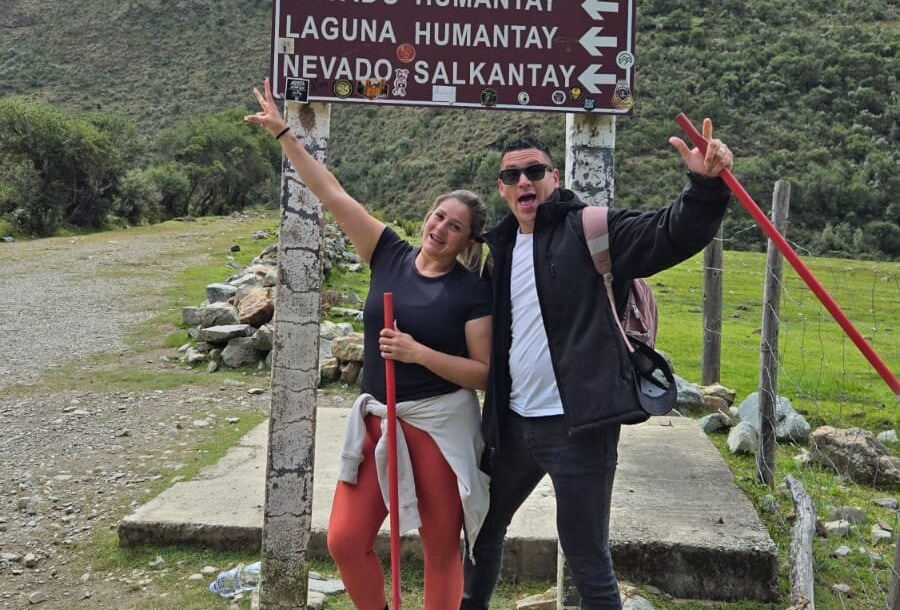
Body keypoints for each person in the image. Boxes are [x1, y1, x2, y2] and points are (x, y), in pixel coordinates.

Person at [461, 119, 734, 610]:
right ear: (502, 190)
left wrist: (705, 187)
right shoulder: (498, 251)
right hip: (512, 424)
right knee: (481, 532)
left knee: (587, 558)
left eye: (535, 171)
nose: (524, 181)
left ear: (555, 177)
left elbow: (669, 234)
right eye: (512, 176)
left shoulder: (592, 229)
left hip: (579, 429)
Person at [246, 80, 493, 610]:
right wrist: (286, 134)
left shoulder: (473, 293)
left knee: (440, 548)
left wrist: (417, 353)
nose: (441, 228)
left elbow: (484, 374)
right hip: (378, 418)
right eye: (437, 216)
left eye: (455, 226)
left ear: (468, 241)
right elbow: (331, 193)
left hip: (438, 422)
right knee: (344, 540)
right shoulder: (388, 251)